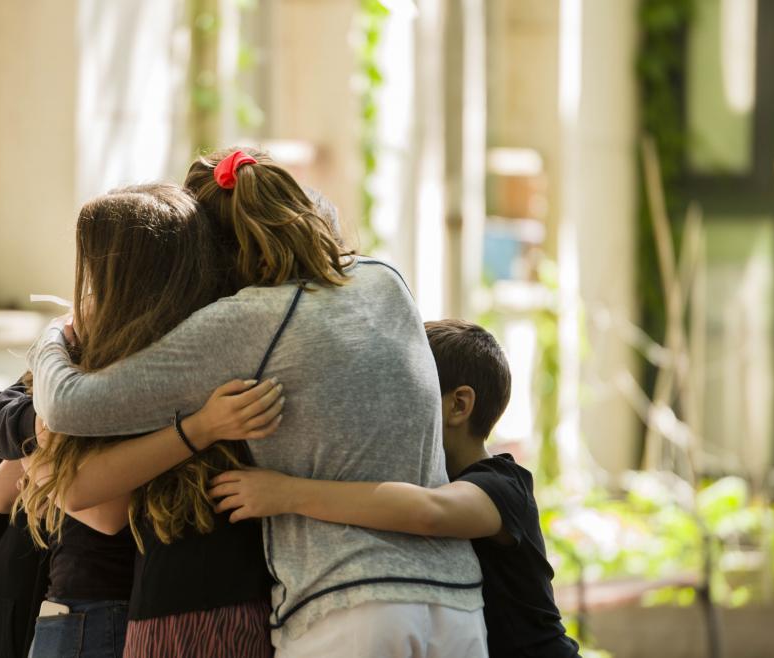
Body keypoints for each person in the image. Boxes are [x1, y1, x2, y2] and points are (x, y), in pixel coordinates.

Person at [26, 148, 487, 656]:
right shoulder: (386, 279)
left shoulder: (248, 320)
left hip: (348, 606)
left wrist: (52, 334)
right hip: (457, 603)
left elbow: (69, 403)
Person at [0, 183, 284, 658]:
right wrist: (41, 433)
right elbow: (0, 489)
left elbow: (100, 511)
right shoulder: (98, 358)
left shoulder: (143, 371)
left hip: (102, 614)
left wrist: (46, 452)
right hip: (89, 611)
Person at [211, 320, 582, 658]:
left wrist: (286, 493)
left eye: (408, 395)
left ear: (459, 405)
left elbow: (430, 512)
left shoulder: (504, 485)